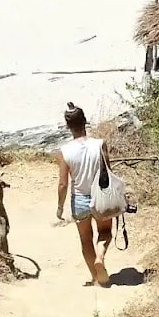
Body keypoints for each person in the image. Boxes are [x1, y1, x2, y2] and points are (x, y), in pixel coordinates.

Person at [55, 102, 113, 286]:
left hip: (79, 200)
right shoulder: (100, 145)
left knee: (85, 240)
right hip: (101, 197)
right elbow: (108, 173)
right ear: (85, 122)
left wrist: (60, 207)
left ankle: (96, 278)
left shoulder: (64, 152)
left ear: (67, 126)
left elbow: (63, 183)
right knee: (105, 232)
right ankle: (101, 256)